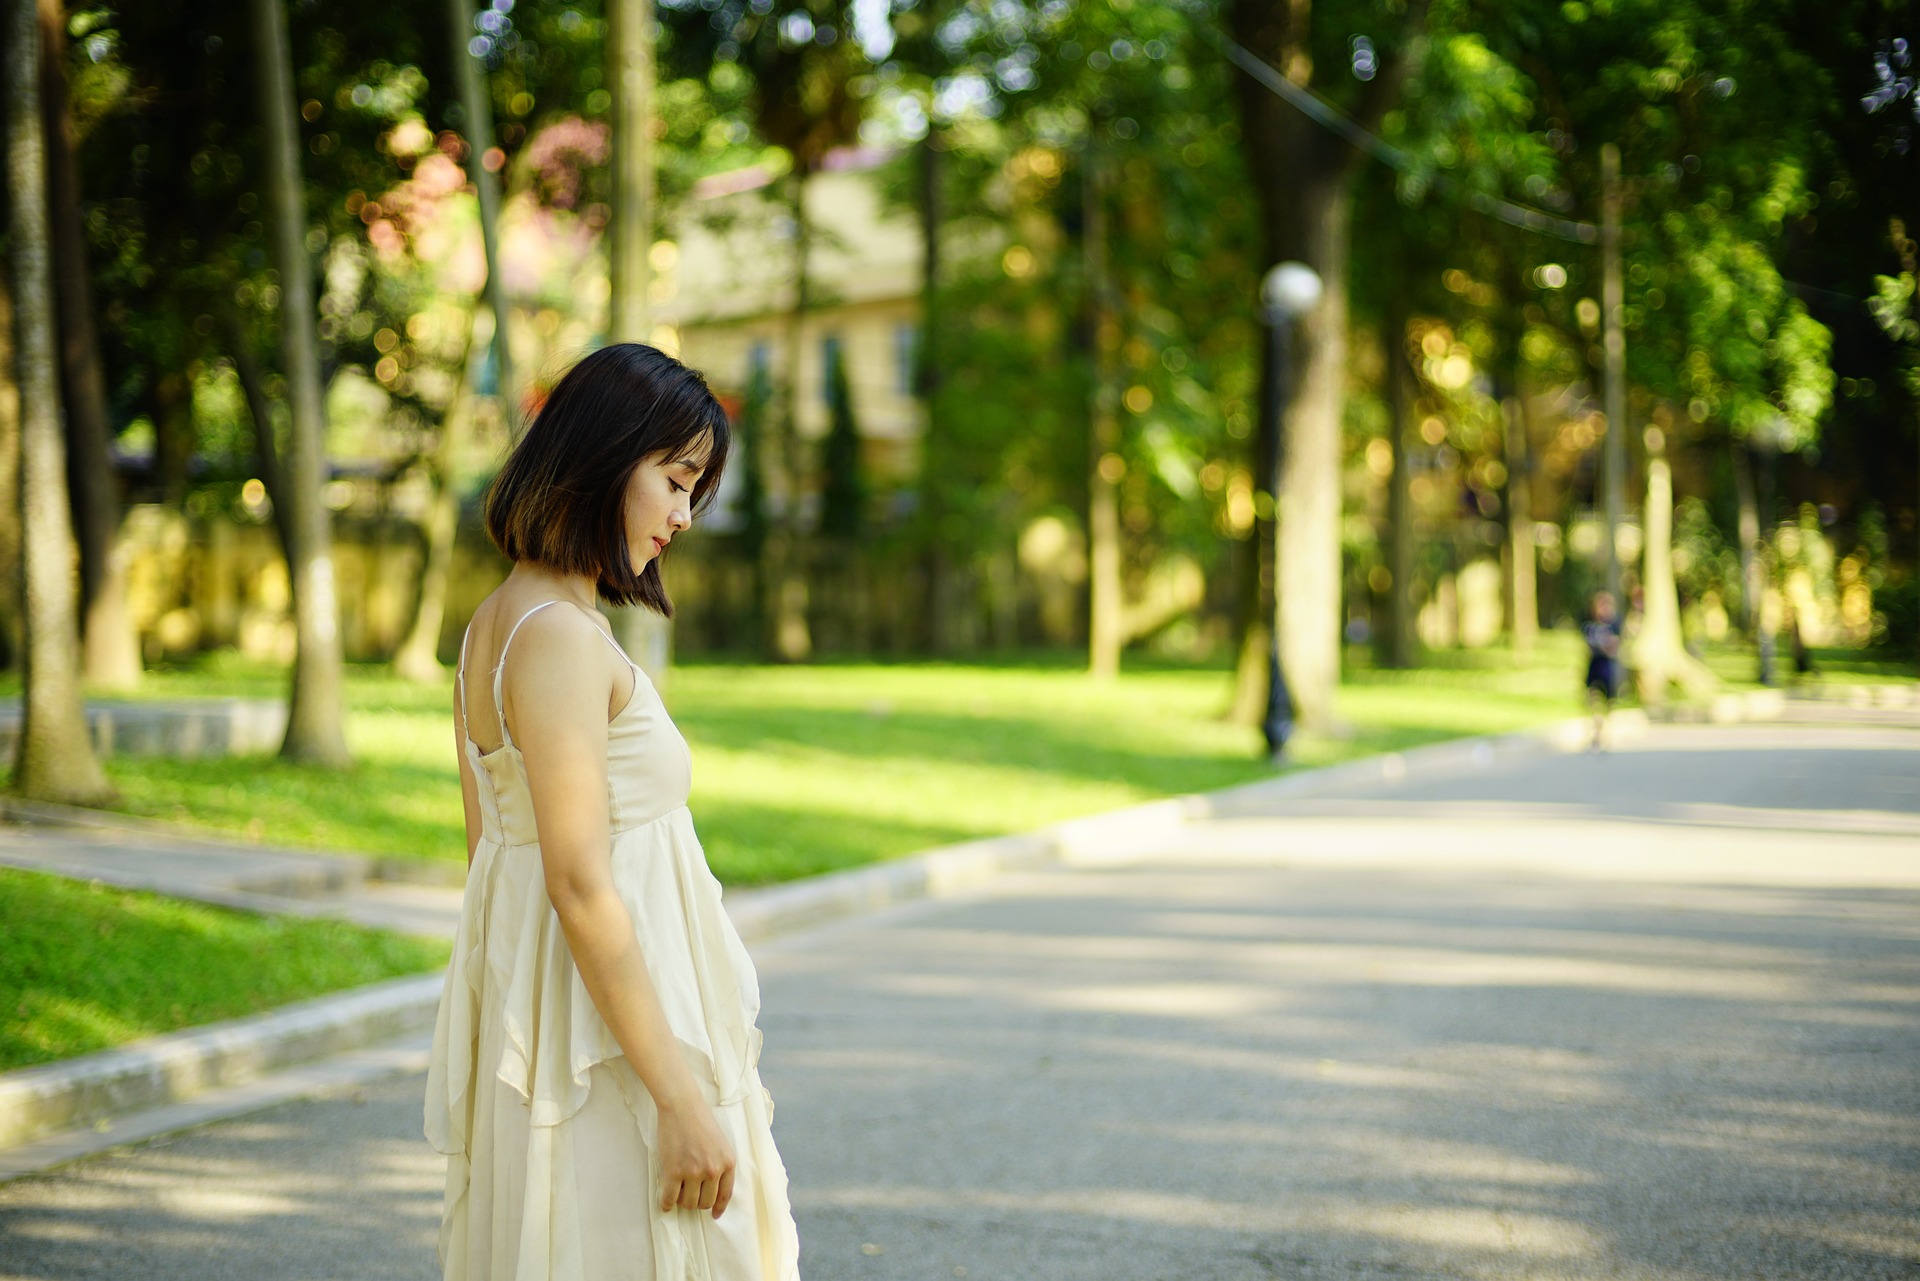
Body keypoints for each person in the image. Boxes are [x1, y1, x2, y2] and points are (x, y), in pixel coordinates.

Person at [424, 343, 800, 1281]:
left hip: (575, 1020)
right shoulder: (553, 636)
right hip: (612, 1048)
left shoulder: (500, 624)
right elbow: (578, 882)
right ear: (601, 455)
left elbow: (492, 860)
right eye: (674, 481)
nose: (682, 515)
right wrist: (677, 1094)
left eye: (695, 490)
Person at [1583, 590, 1622, 751]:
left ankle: (1608, 732)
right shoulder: (1589, 626)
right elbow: (1589, 645)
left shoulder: (1615, 624)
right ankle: (1596, 731)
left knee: (1609, 701)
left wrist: (1604, 645)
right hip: (1594, 665)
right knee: (1593, 698)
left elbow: (1613, 647)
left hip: (1608, 666)